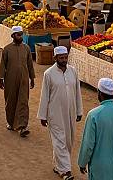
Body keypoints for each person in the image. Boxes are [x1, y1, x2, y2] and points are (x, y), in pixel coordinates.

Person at [37, 46, 83, 180]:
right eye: (61, 58)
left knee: (68, 141)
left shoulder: (73, 71)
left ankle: (58, 166)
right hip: (54, 114)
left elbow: (77, 93)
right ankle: (65, 171)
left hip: (70, 113)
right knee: (59, 141)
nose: (64, 60)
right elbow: (44, 95)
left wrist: (79, 111)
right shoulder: (48, 74)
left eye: (65, 57)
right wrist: (43, 116)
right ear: (55, 58)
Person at [78, 78, 113, 180]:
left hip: (101, 165)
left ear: (99, 93)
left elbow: (88, 144)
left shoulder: (94, 115)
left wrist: (82, 162)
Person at [0, 25, 35, 137]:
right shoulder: (7, 49)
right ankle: (10, 122)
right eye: (18, 35)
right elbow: (2, 65)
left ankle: (22, 126)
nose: (20, 37)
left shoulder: (26, 48)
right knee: (11, 100)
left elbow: (30, 65)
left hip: (24, 79)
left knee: (23, 101)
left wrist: (32, 78)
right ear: (13, 36)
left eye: (21, 34)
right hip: (10, 79)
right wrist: (1, 79)